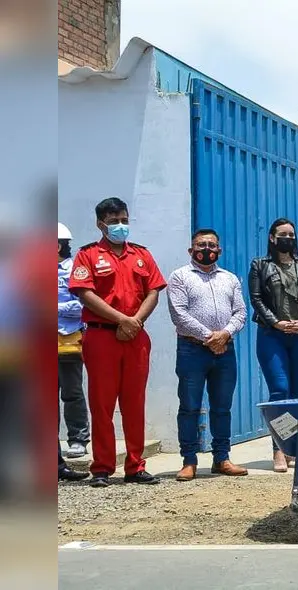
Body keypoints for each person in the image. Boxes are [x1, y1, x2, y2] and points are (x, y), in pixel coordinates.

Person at [69, 197, 167, 487]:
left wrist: (134, 321)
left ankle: (135, 466)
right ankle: (102, 467)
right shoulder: (87, 256)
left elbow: (154, 291)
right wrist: (120, 320)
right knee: (101, 403)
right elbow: (85, 293)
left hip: (136, 336)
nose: (120, 226)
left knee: (135, 403)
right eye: (114, 222)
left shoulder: (141, 255)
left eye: (124, 220)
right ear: (101, 224)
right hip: (101, 337)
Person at [167, 229, 249, 481]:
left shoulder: (230, 278)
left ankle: (221, 458)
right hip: (192, 349)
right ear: (191, 250)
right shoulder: (180, 276)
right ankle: (189, 460)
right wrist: (209, 337)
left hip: (225, 350)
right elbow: (179, 313)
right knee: (190, 406)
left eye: (211, 245)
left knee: (222, 407)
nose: (206, 249)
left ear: (219, 250)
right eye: (200, 245)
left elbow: (241, 312)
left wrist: (224, 334)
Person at [248, 217, 298, 473]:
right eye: (282, 234)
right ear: (272, 237)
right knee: (280, 390)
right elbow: (256, 299)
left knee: (297, 394)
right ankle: (279, 448)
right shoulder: (260, 265)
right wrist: (276, 322)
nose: (288, 238)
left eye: (291, 234)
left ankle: (295, 447)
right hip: (272, 336)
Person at [58, 222, 90, 459]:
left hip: (69, 340)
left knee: (72, 392)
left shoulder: (74, 270)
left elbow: (83, 305)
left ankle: (78, 439)